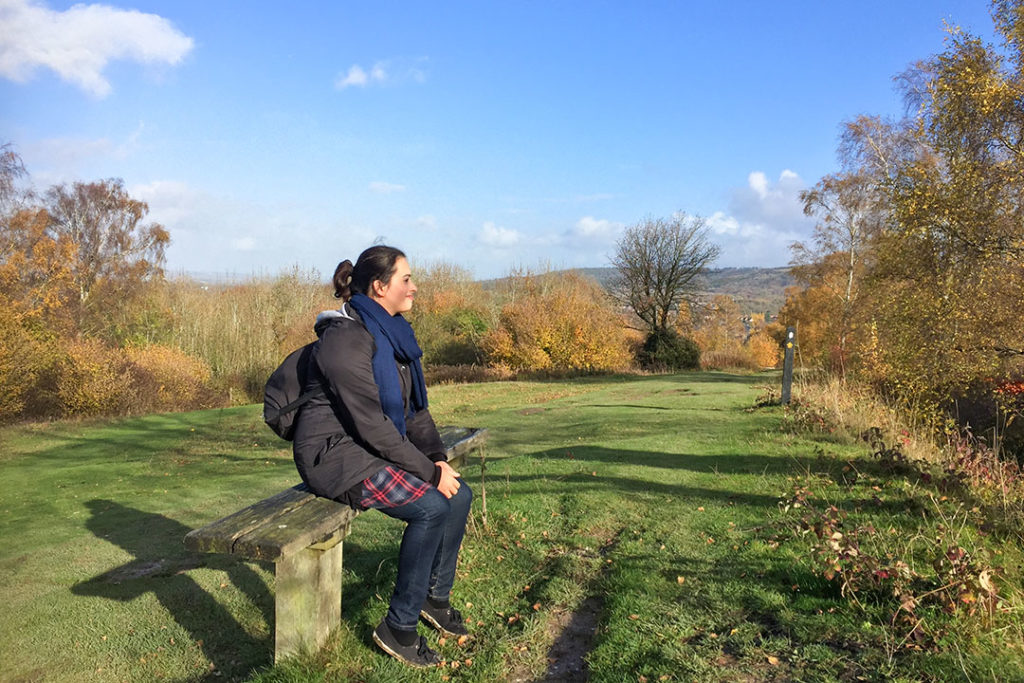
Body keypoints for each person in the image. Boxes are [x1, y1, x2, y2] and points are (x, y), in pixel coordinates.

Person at [291, 245, 472, 668]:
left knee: (457, 496)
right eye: (405, 279)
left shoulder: (393, 334)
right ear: (379, 286)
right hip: (334, 454)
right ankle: (398, 627)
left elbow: (415, 411)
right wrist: (427, 474)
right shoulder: (345, 341)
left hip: (367, 445)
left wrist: (436, 458)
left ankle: (433, 597)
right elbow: (371, 425)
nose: (413, 287)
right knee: (430, 507)